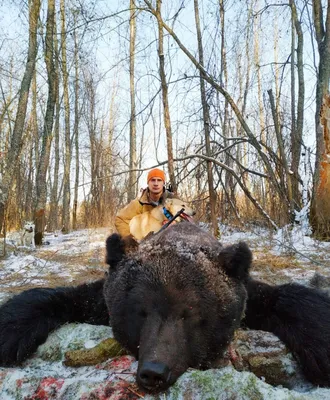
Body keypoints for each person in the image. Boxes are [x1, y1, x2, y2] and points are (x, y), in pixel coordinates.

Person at [115, 168, 174, 238]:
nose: (156, 183)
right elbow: (120, 219)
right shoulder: (139, 203)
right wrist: (130, 238)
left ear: (163, 183)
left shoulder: (173, 201)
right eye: (152, 180)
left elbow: (186, 221)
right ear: (148, 182)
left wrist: (175, 224)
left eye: (159, 180)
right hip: (146, 242)